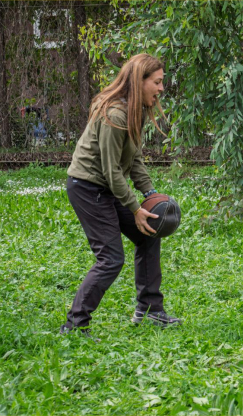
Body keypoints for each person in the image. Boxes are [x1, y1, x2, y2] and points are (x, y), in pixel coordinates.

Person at [60, 53, 181, 337]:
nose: (162, 89)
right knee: (111, 258)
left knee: (149, 232)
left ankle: (150, 311)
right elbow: (111, 170)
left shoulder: (134, 110)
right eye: (158, 82)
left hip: (107, 186)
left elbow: (134, 159)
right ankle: (75, 325)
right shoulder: (115, 113)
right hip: (88, 188)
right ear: (140, 82)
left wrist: (150, 194)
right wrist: (135, 207)